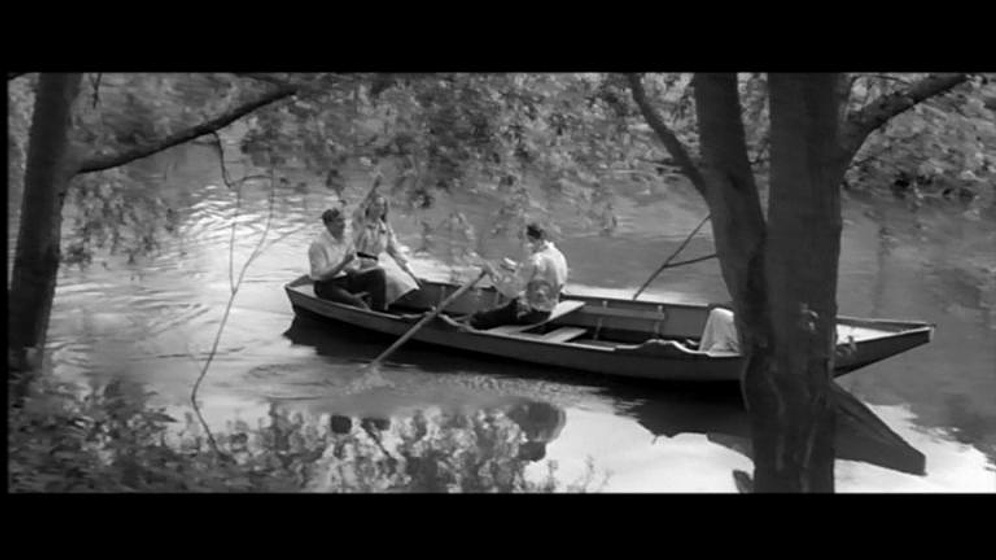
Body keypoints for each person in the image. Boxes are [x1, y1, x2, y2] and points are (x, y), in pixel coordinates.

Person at [458, 222, 569, 330]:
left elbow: (510, 292)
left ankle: (466, 330)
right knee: (500, 310)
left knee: (479, 318)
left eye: (523, 239)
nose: (522, 243)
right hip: (548, 309)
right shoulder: (557, 255)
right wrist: (516, 267)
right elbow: (542, 275)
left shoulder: (534, 260)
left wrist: (492, 273)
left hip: (530, 313)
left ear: (531, 239)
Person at [352, 193, 424, 307]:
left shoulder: (385, 228)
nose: (380, 208)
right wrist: (373, 188)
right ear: (369, 206)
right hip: (357, 264)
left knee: (405, 281)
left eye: (382, 206)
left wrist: (411, 273)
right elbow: (358, 210)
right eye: (376, 205)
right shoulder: (360, 222)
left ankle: (387, 306)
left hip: (374, 265)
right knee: (388, 280)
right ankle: (377, 310)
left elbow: (396, 252)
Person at [309, 208, 388, 311]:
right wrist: (342, 264)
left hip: (345, 279)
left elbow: (354, 263)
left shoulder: (347, 238)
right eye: (339, 221)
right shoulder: (318, 245)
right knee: (358, 304)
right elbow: (322, 276)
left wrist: (353, 268)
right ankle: (369, 317)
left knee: (378, 274)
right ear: (328, 224)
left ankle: (380, 312)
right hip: (326, 285)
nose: (343, 224)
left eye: (343, 220)